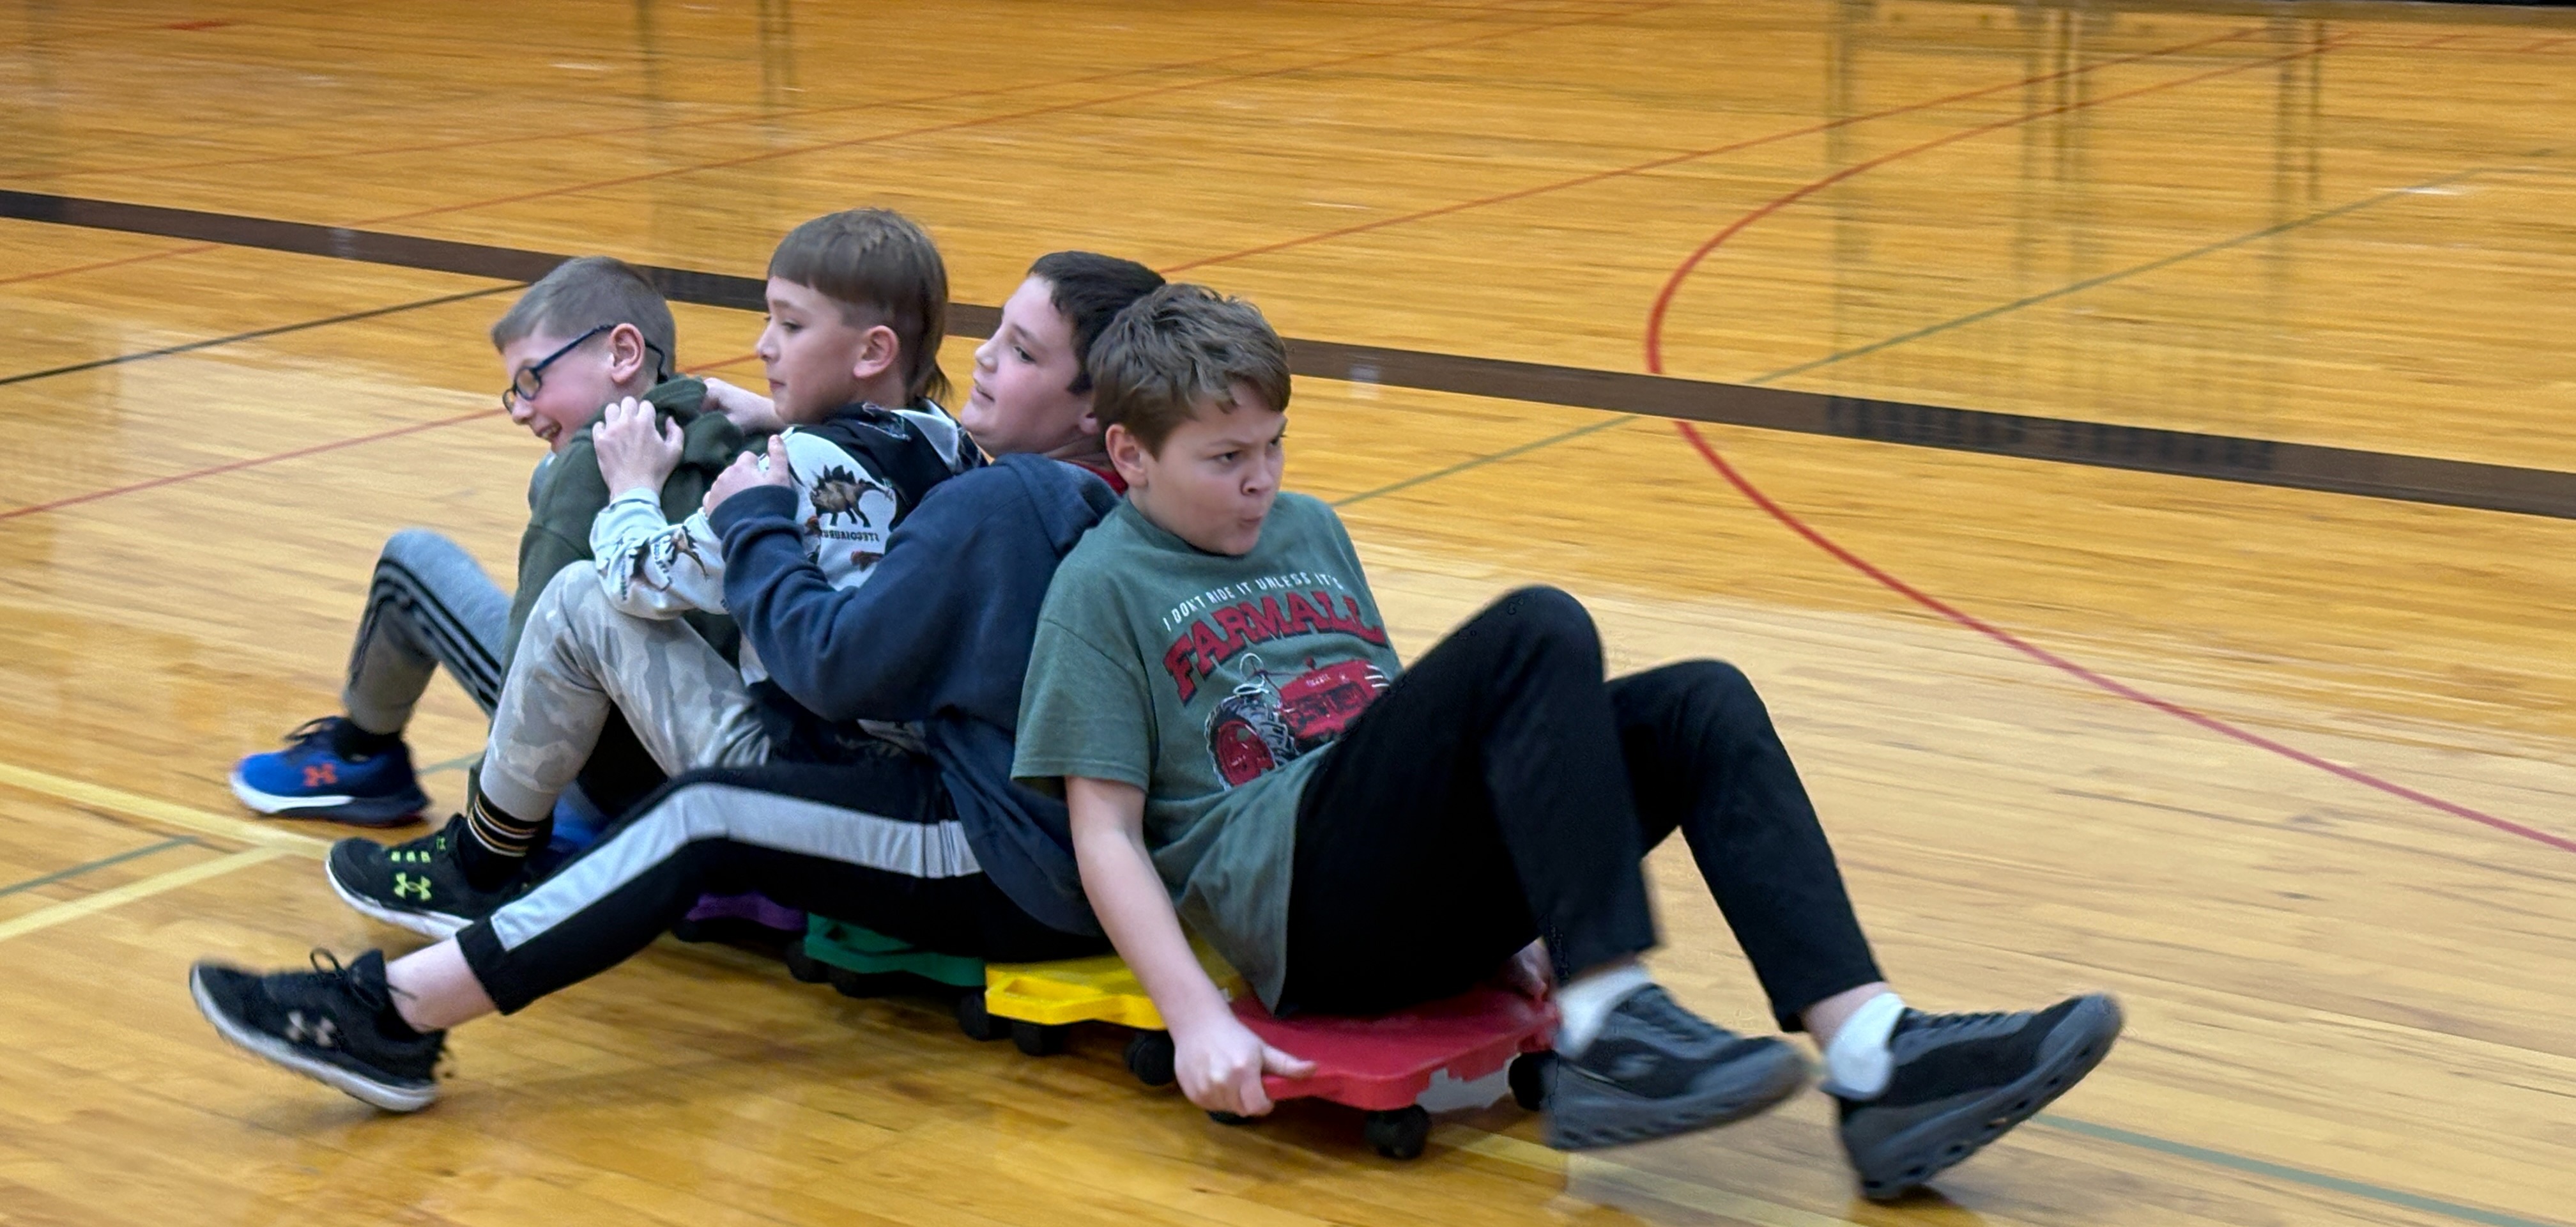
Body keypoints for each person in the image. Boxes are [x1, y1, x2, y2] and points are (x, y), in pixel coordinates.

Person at [1008, 284, 2124, 1200]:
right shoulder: (1098, 589)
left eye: (1274, 445)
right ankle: (1611, 1024)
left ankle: (1872, 1052)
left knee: (1701, 701)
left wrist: (1533, 907)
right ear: (1130, 453)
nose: (1262, 478)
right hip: (1297, 906)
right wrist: (1195, 1019)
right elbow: (1104, 833)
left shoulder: (1309, 528)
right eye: (1224, 458)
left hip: (1399, 883)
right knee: (1537, 626)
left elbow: (1403, 726)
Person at [187, 252, 1170, 1114]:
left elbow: (835, 670)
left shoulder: (1006, 503)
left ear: (1097, 408)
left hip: (996, 852)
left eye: (1021, 351)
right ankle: (429, 955)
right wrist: (789, 417)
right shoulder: (1132, 497)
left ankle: (396, 1011)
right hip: (1037, 833)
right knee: (672, 732)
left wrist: (752, 519)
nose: (985, 358)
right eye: (993, 333)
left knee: (700, 807)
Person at [317, 208, 988, 937]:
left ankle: (482, 864)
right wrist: (783, 417)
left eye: (790, 326)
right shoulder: (948, 443)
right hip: (923, 781)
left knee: (579, 598)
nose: (763, 344)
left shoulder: (787, 468)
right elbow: (862, 478)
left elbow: (639, 575)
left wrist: (632, 488)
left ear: (872, 350)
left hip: (800, 791)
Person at [227, 256, 742, 825]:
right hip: (735, 767)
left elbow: (530, 680)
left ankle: (363, 756)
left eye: (532, 380)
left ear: (622, 353)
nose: (519, 409)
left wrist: (493, 832)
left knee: (410, 562)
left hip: (621, 786)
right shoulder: (743, 441)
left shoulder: (585, 471)